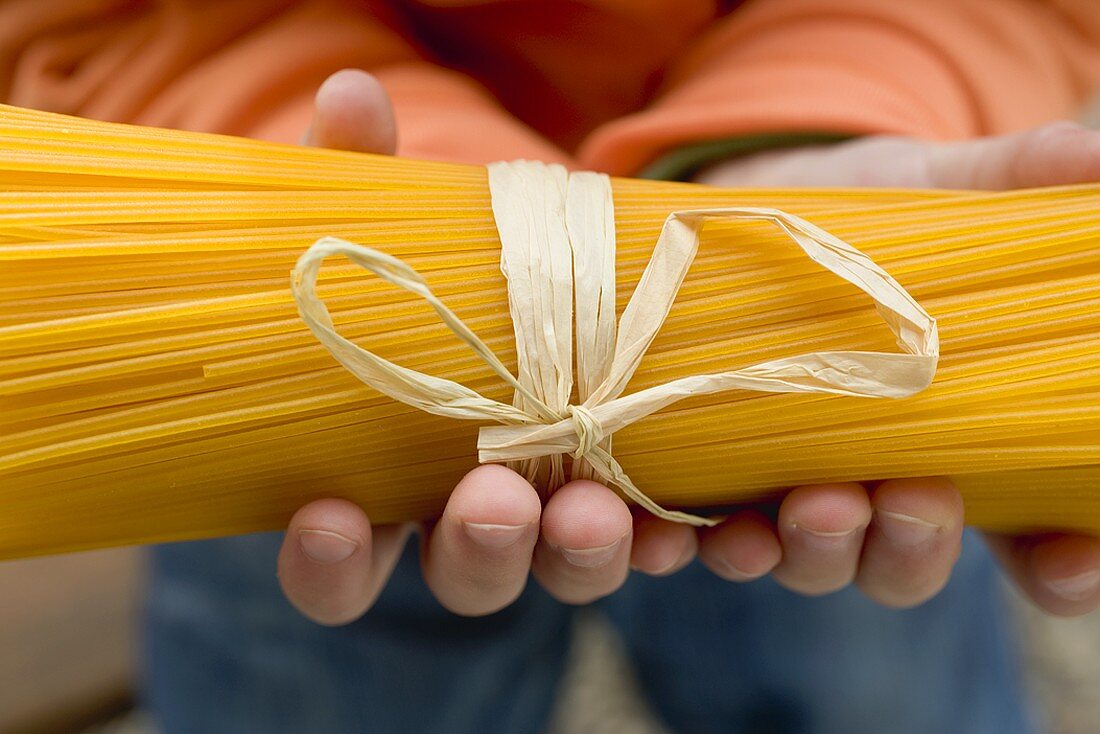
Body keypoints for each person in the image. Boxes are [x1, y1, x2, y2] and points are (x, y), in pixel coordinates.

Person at [5, 1, 1100, 731]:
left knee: (854, 667)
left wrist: (803, 130)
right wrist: (389, 203)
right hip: (286, 317)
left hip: (820, 327)